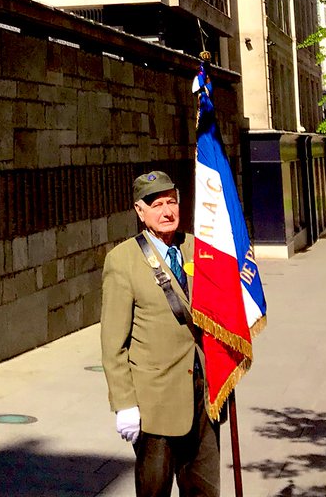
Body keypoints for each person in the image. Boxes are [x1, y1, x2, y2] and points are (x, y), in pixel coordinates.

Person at [101, 169, 219, 497]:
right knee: (155, 491)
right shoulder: (123, 261)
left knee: (205, 490)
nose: (167, 212)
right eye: (157, 205)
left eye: (172, 202)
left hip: (203, 397)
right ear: (140, 212)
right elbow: (113, 344)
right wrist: (124, 403)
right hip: (155, 405)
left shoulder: (198, 248)